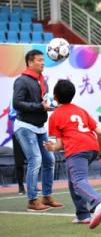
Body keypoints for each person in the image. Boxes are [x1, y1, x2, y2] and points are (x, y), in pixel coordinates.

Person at [44, 80, 101, 229]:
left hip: (77, 150)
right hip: (92, 147)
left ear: (55, 97)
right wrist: (100, 152)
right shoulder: (81, 110)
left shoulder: (54, 116)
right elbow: (100, 132)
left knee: (78, 180)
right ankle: (83, 214)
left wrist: (51, 148)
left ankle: (98, 201)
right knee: (73, 180)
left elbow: (60, 144)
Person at [12, 49, 63, 211]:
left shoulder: (42, 80)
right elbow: (17, 103)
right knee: (35, 160)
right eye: (39, 60)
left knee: (50, 160)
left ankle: (46, 197)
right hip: (25, 127)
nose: (43, 62)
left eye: (43, 60)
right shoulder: (22, 81)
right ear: (30, 62)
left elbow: (43, 101)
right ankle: (32, 200)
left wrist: (50, 106)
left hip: (40, 128)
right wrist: (39, 106)